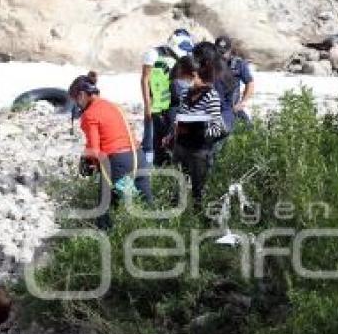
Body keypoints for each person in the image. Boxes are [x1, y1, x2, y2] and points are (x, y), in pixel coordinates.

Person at [70, 74, 152, 229]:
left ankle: (106, 242)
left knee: (104, 208)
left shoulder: (89, 114)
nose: (77, 105)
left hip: (118, 162)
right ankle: (155, 238)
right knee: (146, 204)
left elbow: (94, 150)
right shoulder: (113, 105)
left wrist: (89, 163)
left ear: (81, 95)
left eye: (75, 100)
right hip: (138, 157)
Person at [162, 56, 226, 209]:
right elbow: (180, 118)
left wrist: (198, 132)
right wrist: (171, 135)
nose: (180, 82)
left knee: (199, 192)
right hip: (181, 147)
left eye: (182, 78)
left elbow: (216, 128)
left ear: (193, 75)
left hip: (199, 151)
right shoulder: (185, 94)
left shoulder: (211, 96)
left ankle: (200, 220)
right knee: (177, 188)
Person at [140, 29, 194, 167]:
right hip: (156, 107)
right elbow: (145, 80)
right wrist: (147, 106)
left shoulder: (186, 57)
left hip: (175, 106)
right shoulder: (153, 54)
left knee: (173, 142)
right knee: (152, 144)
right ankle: (155, 172)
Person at [215, 35, 255, 130]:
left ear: (230, 50)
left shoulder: (238, 64)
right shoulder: (211, 63)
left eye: (224, 52)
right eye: (219, 51)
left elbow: (250, 83)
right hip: (213, 108)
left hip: (232, 107)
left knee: (249, 130)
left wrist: (243, 102)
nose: (221, 54)